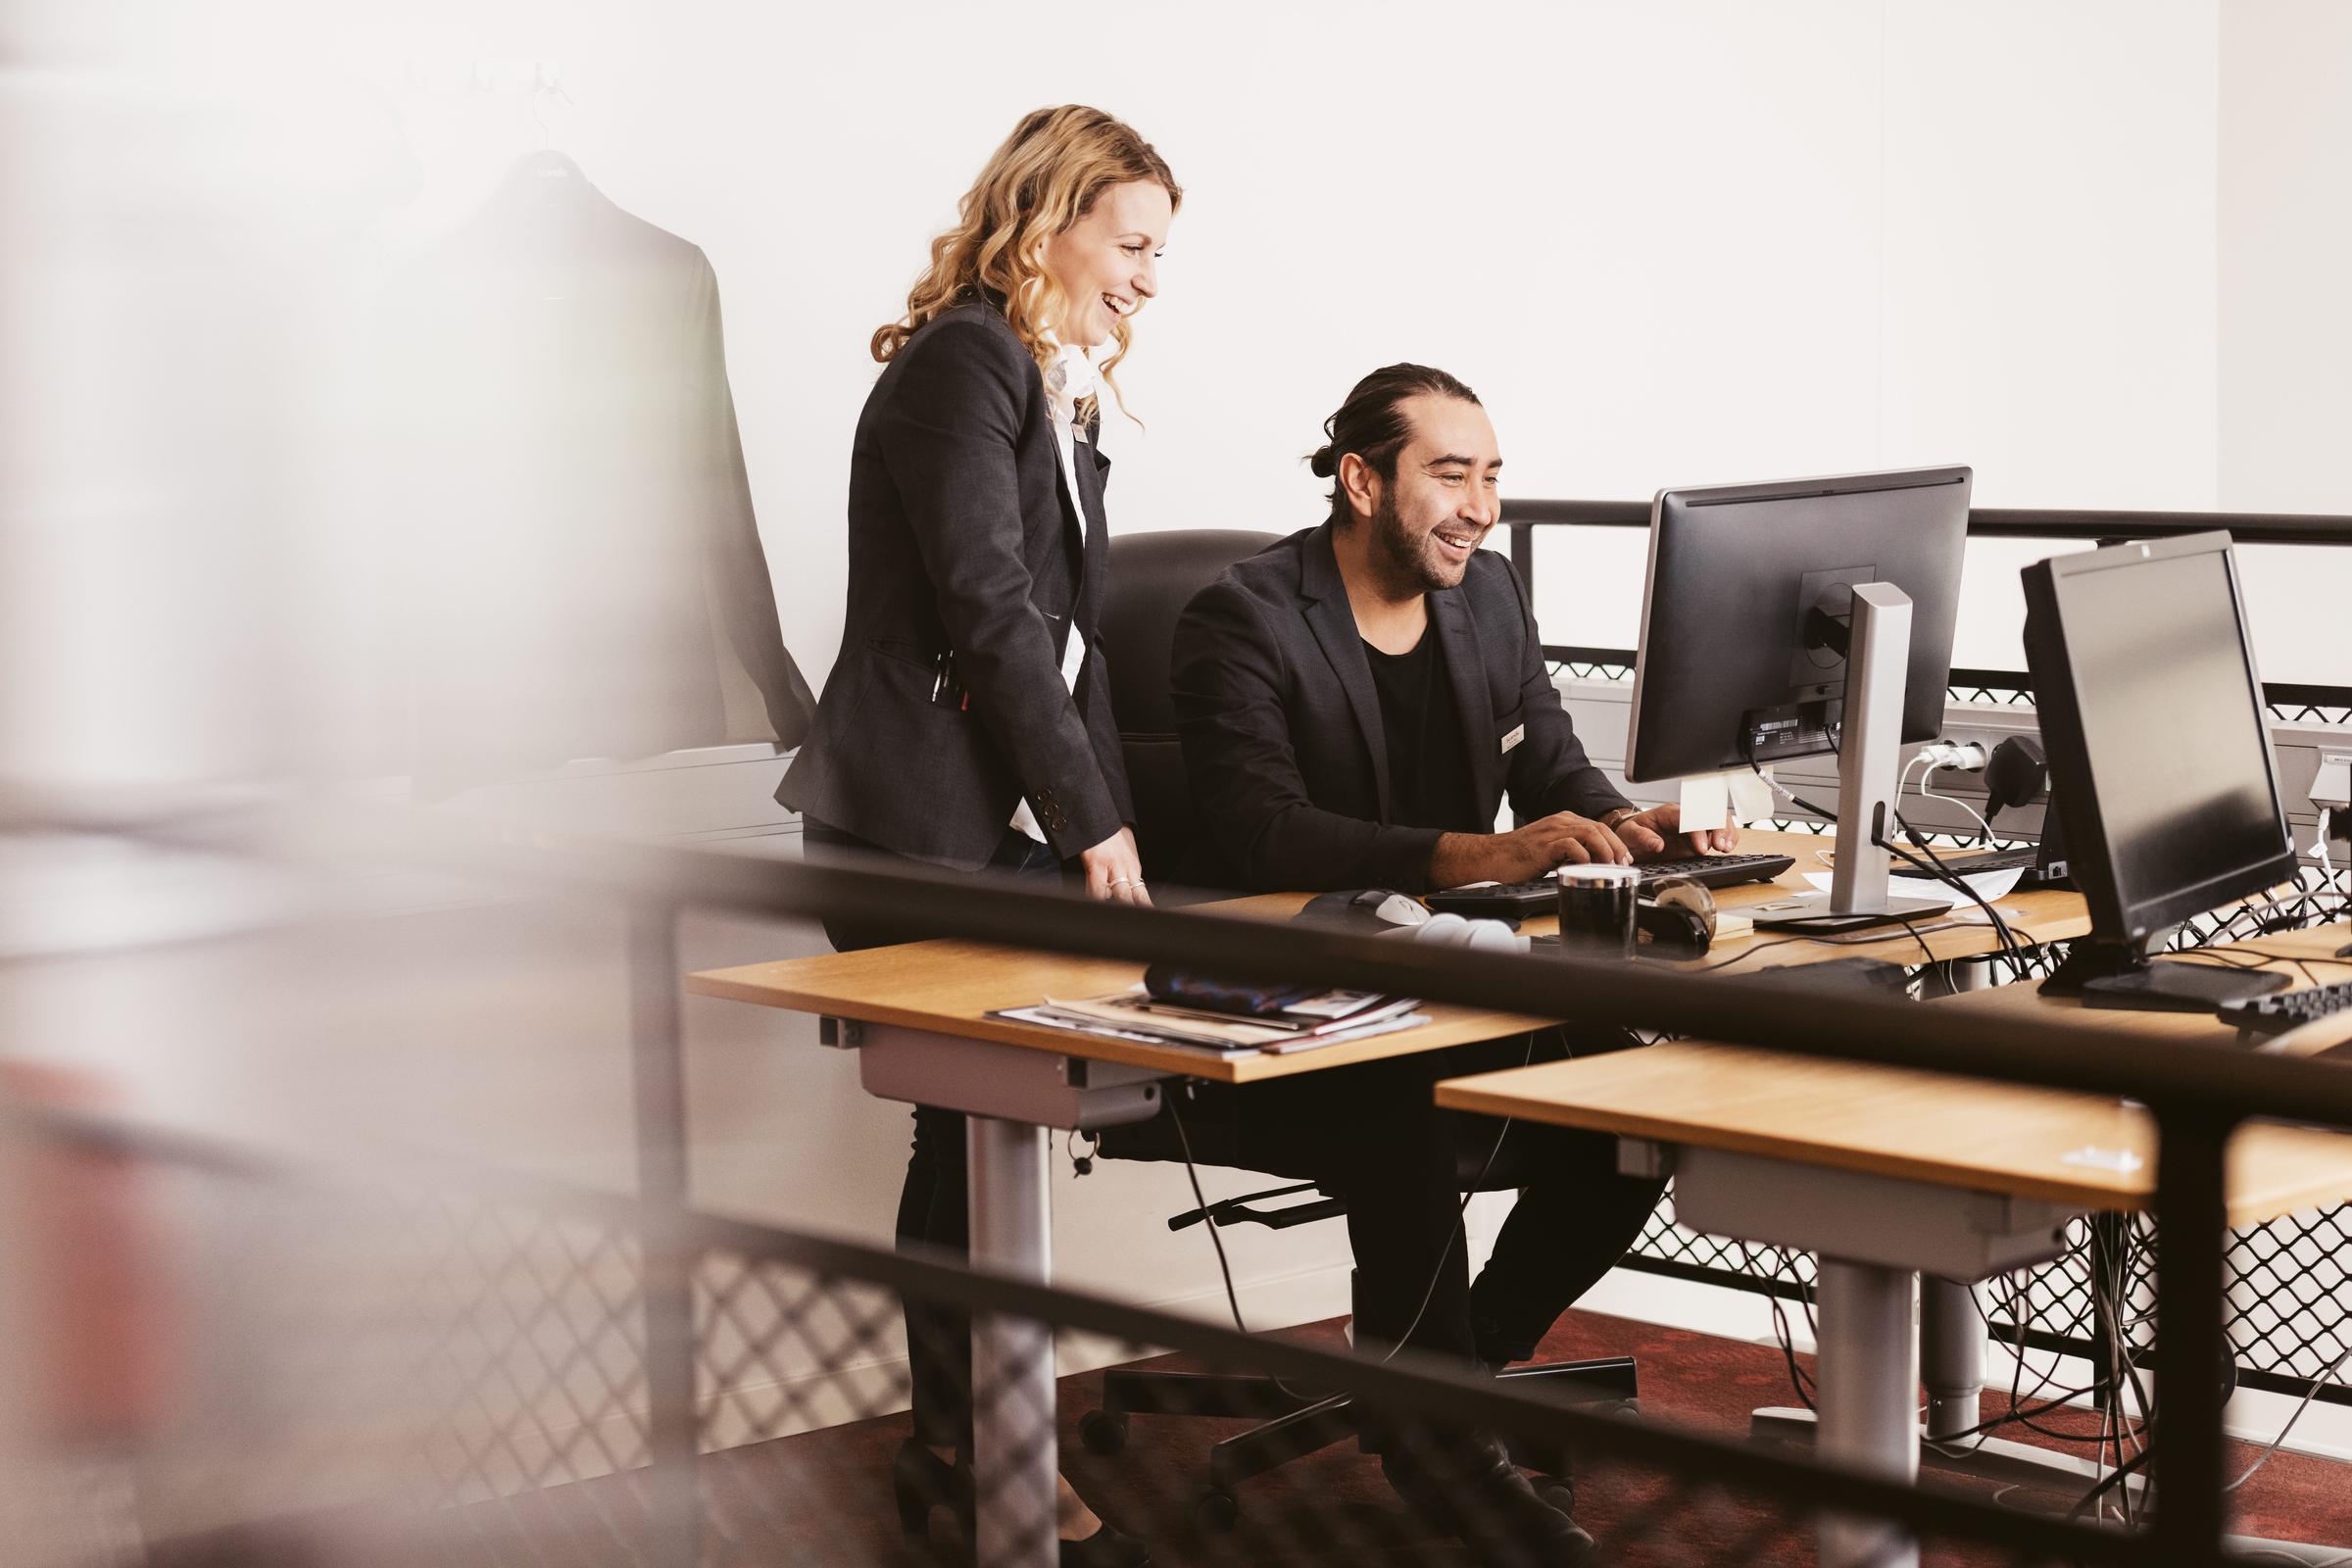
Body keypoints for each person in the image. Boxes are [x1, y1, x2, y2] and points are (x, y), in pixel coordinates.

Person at [1152, 364, 1739, 1562]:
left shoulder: (1490, 597)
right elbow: (1255, 829)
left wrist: (1628, 824)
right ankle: (1439, 1447)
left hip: (1455, 976)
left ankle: (1442, 1389)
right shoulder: (1245, 616)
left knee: (1633, 1109)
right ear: (1363, 481)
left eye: (1492, 478)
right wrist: (1479, 854)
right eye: (1450, 475)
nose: (1480, 507)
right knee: (1405, 1113)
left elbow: (1554, 765)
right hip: (1303, 1001)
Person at [776, 104, 1176, 1566]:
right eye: (1130, 242)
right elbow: (990, 611)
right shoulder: (967, 361)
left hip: (982, 819)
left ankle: (969, 1438)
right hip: (907, 827)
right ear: (1051, 216)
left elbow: (1077, 652)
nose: (1146, 278)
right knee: (979, 1114)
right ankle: (979, 1441)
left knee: (975, 1123)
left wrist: (1110, 821)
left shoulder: (1042, 381)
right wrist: (1092, 827)